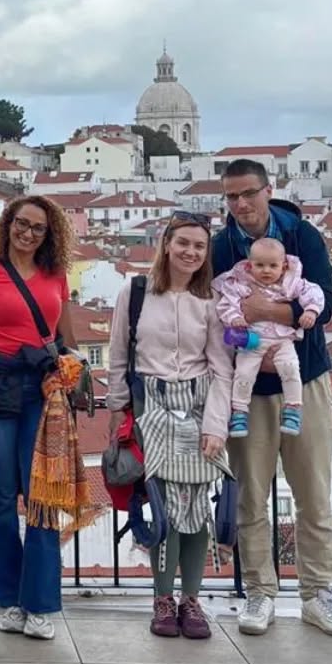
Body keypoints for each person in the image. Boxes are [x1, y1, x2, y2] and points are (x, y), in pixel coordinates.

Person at [211, 161, 332, 638]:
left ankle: (318, 593)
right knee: (252, 495)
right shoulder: (221, 245)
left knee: (313, 492)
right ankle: (258, 592)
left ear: (268, 191)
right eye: (231, 197)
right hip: (247, 388)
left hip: (304, 379)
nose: (240, 205)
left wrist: (267, 310)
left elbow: (326, 302)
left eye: (248, 193)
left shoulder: (301, 236)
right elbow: (218, 315)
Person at [106, 214, 232, 639]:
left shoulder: (212, 298)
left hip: (198, 406)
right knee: (165, 507)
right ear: (166, 244)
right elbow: (119, 353)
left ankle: (191, 601)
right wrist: (118, 411)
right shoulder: (136, 291)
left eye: (199, 246)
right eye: (184, 243)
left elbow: (221, 366)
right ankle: (163, 598)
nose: (191, 253)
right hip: (151, 406)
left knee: (197, 510)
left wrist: (216, 425)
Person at [0, 195, 76, 642]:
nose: (28, 233)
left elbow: (65, 337)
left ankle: (41, 603)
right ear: (7, 224)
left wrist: (69, 374)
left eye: (38, 228)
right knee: (0, 496)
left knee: (42, 496)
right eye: (21, 223)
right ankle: (10, 599)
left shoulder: (56, 276)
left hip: (43, 390)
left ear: (49, 235)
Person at [213, 238, 324, 438]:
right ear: (249, 265)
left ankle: (293, 408)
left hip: (283, 340)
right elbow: (225, 304)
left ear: (283, 266)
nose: (266, 271)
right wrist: (235, 318)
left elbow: (315, 293)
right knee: (244, 373)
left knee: (290, 369)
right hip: (252, 339)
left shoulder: (292, 284)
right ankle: (239, 412)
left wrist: (311, 311)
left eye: (273, 266)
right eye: (260, 265)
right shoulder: (240, 284)